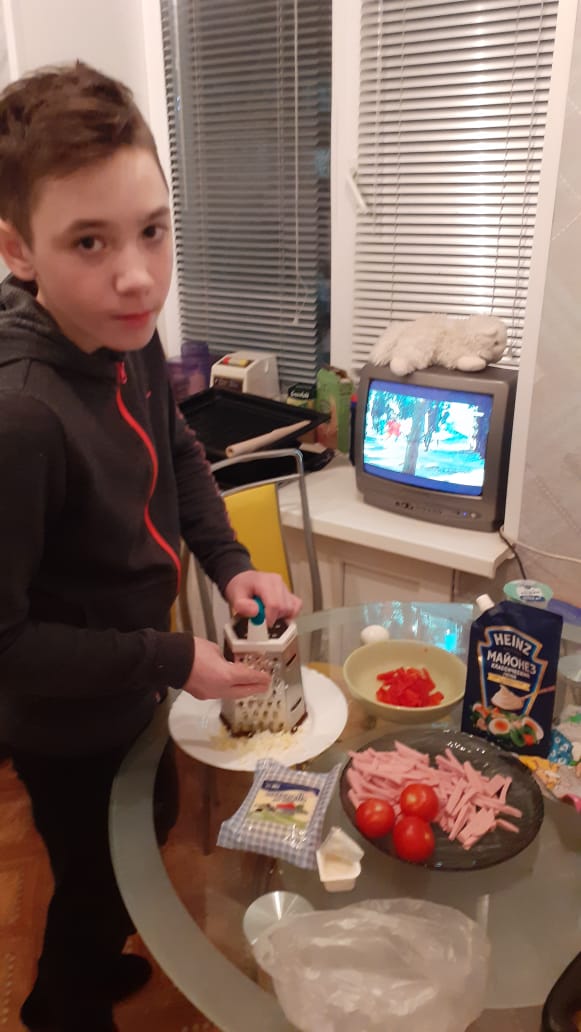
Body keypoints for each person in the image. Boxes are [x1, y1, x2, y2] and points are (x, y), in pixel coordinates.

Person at [0, 62, 301, 1032]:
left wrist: (231, 563)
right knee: (94, 880)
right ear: (18, 250)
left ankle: (92, 957)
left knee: (149, 827)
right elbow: (7, 645)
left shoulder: (124, 329)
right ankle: (60, 1008)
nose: (137, 275)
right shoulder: (22, 419)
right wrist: (173, 657)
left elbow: (176, 449)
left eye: (152, 230)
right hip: (63, 720)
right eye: (88, 241)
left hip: (134, 684)